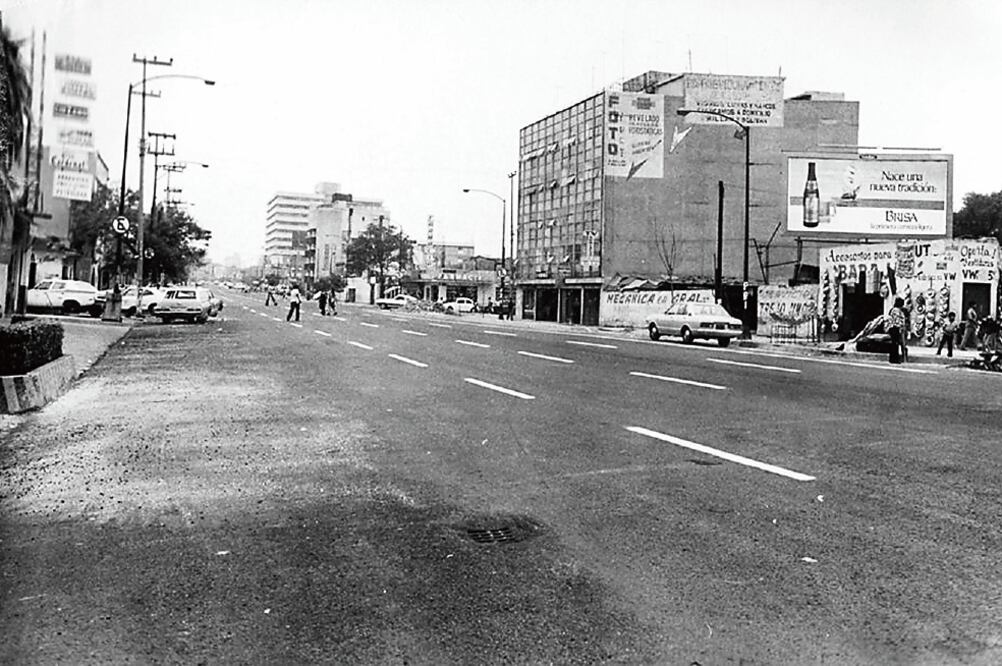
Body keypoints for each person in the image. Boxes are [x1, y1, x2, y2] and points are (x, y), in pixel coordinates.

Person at [886, 297, 907, 364]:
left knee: (894, 343)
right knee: (895, 344)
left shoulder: (893, 310)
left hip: (893, 328)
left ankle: (893, 359)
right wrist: (901, 328)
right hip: (895, 328)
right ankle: (894, 359)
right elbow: (898, 321)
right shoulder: (897, 311)